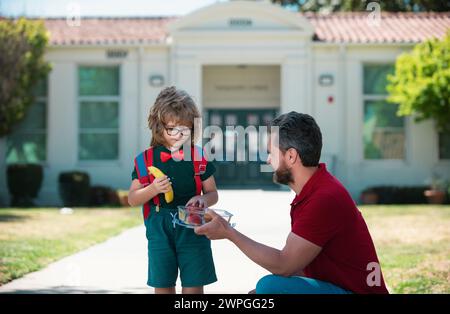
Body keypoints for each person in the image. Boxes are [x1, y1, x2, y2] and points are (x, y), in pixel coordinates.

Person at [195, 111, 389, 294]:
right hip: (339, 287)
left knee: (269, 285)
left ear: (291, 156)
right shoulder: (315, 190)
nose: (268, 159)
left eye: (271, 152)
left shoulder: (324, 198)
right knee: (271, 288)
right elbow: (299, 266)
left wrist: (228, 232)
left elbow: (284, 264)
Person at [128, 86, 219, 294]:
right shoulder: (145, 160)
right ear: (159, 128)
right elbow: (133, 199)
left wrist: (203, 199)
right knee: (163, 284)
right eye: (172, 129)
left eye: (185, 129)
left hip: (193, 226)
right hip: (159, 229)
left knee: (194, 284)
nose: (179, 134)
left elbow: (213, 193)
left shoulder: (197, 156)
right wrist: (152, 189)